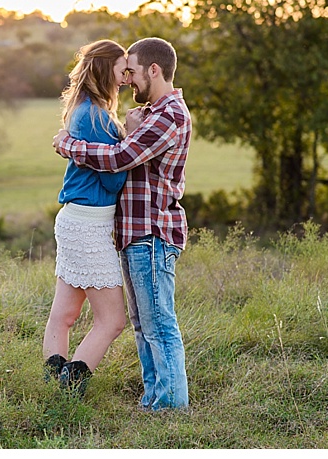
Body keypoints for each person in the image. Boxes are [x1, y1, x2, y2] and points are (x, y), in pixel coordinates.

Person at [52, 37, 191, 411]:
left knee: (159, 325)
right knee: (144, 325)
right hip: (133, 234)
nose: (128, 80)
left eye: (133, 72)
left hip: (152, 233)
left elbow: (119, 158)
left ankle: (171, 407)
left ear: (154, 70)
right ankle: (154, 399)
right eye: (123, 71)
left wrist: (69, 146)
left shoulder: (169, 115)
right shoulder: (152, 113)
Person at [42, 39, 129, 398]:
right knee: (113, 320)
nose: (126, 77)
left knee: (64, 315)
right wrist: (130, 135)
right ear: (105, 68)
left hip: (76, 220)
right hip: (89, 225)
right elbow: (113, 175)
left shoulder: (83, 110)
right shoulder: (95, 117)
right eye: (123, 68)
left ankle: (53, 388)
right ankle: (71, 384)